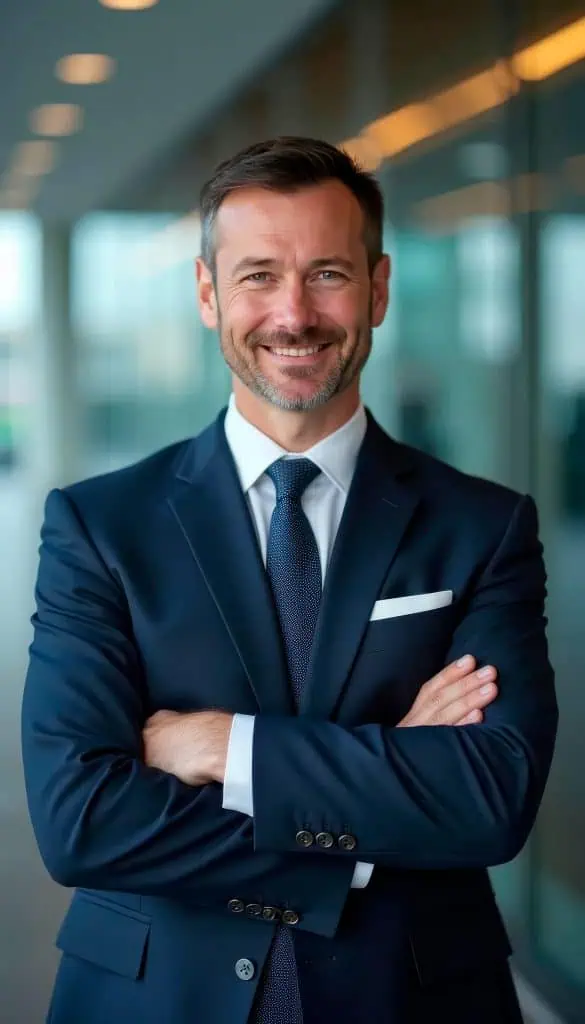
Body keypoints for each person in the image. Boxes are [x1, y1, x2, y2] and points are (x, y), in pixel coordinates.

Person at [21, 136, 558, 1024]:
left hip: (409, 996)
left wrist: (222, 747)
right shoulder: (99, 526)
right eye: (258, 275)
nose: (293, 314)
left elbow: (487, 799)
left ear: (379, 288)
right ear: (207, 295)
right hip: (155, 997)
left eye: (327, 274)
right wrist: (369, 817)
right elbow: (81, 820)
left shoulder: (483, 526)